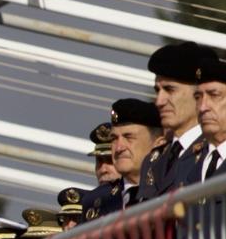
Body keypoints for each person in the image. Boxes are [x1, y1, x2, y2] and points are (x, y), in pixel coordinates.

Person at [141, 41, 212, 195]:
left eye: (169, 89)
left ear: (199, 93)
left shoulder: (213, 151)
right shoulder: (154, 160)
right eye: (157, 90)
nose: (159, 102)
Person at [82, 99, 161, 219]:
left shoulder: (171, 187)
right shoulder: (96, 202)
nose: (118, 148)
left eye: (129, 137)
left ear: (158, 143)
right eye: (114, 138)